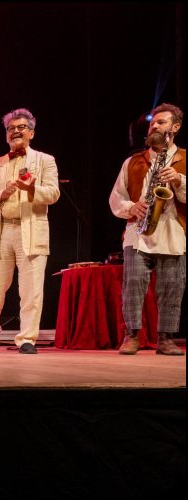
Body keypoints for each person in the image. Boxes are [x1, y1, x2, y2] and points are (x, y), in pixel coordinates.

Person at [0, 108, 60, 354]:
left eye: (21, 127)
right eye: (11, 128)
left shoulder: (45, 160)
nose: (16, 131)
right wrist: (1, 194)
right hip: (2, 231)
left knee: (31, 290)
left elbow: (53, 194)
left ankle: (27, 339)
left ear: (31, 133)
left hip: (30, 230)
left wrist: (31, 188)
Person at [109, 102, 185, 356]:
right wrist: (132, 207)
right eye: (153, 123)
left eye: (161, 122)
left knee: (172, 287)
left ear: (175, 127)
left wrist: (179, 180)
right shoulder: (133, 161)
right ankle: (131, 336)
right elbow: (116, 198)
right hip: (138, 232)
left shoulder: (185, 158)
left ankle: (166, 338)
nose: (154, 126)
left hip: (174, 232)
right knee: (133, 285)